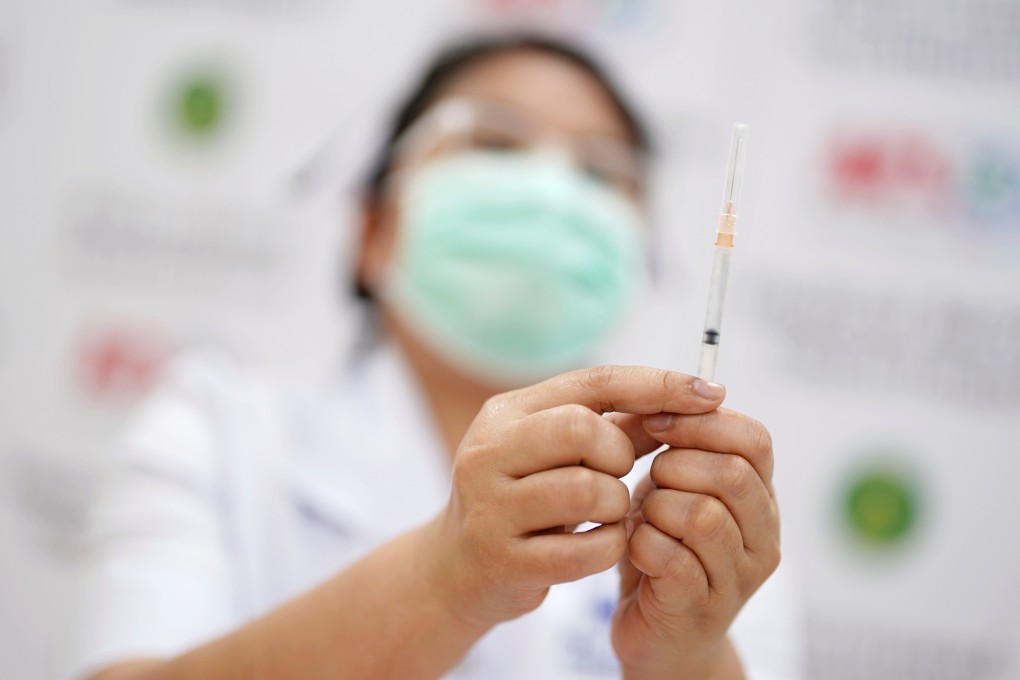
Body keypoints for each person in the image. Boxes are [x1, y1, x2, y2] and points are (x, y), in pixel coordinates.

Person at [69, 35, 802, 680]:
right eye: (494, 144)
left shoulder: (700, 509)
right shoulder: (219, 430)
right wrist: (443, 581)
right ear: (375, 228)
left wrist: (691, 662)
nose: (550, 194)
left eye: (598, 173)